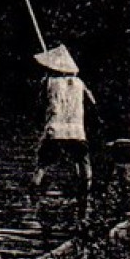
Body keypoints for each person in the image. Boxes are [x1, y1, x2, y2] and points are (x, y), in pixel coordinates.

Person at [31, 44, 96, 194]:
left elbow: (39, 102)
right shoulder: (80, 83)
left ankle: (34, 193)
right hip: (77, 131)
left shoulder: (49, 81)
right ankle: (85, 195)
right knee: (83, 164)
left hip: (55, 129)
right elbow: (92, 102)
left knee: (42, 165)